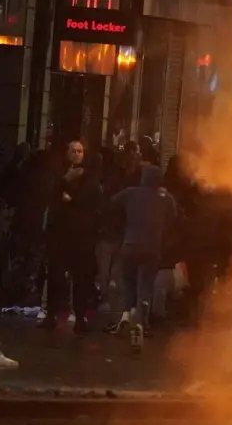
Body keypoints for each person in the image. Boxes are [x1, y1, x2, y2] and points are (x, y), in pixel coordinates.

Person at [107, 164, 178, 345]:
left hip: (129, 246)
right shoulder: (165, 198)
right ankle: (141, 322)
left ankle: (125, 316)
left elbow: (112, 203)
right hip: (152, 249)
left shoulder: (130, 193)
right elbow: (175, 217)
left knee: (129, 283)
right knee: (145, 286)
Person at [41, 140, 101, 333]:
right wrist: (66, 180)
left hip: (81, 236)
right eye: (73, 150)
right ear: (67, 153)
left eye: (80, 151)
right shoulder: (60, 174)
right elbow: (52, 195)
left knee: (80, 278)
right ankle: (51, 316)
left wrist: (70, 198)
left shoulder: (90, 176)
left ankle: (80, 318)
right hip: (60, 234)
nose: (76, 154)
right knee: (55, 276)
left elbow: (87, 199)